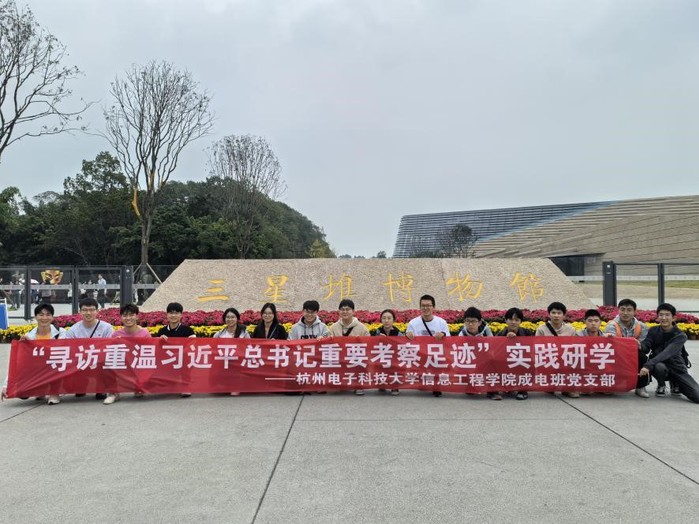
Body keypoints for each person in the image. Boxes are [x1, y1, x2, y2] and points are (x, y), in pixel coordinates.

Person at [1, 303, 66, 405]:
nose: (44, 318)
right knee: (21, 392)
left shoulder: (60, 332)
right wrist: (6, 385)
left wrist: (34, 345)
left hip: (55, 367)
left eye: (48, 314)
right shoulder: (29, 336)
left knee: (56, 364)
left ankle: (54, 392)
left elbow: (60, 351)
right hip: (37, 369)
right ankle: (40, 390)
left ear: (52, 317)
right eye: (41, 315)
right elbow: (18, 362)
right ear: (35, 317)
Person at [639, 303, 699, 403]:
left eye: (667, 315)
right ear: (657, 317)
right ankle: (661, 384)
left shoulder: (680, 335)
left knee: (697, 395)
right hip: (659, 365)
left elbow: (667, 353)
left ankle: (675, 382)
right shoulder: (653, 331)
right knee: (658, 366)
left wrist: (648, 365)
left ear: (674, 318)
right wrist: (640, 345)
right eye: (661, 315)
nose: (664, 318)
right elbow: (647, 346)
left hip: (677, 367)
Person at [63, 297, 115, 402]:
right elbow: (69, 349)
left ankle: (101, 387)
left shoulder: (106, 328)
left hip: (100, 361)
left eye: (91, 310)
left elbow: (110, 347)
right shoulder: (73, 330)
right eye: (85, 310)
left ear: (97, 311)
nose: (88, 313)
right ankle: (81, 385)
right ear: (80, 311)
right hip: (80, 362)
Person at [603, 298, 650, 398]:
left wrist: (639, 345)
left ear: (635, 312)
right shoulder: (612, 325)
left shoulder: (641, 326)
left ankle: (641, 387)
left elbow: (646, 347)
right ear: (618, 310)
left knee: (643, 357)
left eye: (629, 310)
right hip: (617, 354)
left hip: (633, 354)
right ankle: (610, 383)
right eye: (622, 309)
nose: (625, 313)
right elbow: (610, 346)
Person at [106, 304, 152, 404]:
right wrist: (115, 343)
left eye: (131, 315)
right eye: (125, 315)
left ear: (137, 316)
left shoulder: (144, 333)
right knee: (108, 364)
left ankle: (138, 386)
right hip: (123, 364)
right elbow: (110, 353)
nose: (128, 318)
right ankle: (113, 393)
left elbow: (150, 351)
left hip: (138, 364)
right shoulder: (116, 334)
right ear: (121, 317)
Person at [406, 294, 450, 397]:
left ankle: (436, 386)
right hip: (420, 354)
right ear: (420, 307)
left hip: (436, 354)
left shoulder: (441, 322)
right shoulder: (413, 323)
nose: (425, 308)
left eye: (428, 305)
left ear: (433, 307)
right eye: (423, 306)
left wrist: (443, 335)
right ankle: (424, 380)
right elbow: (407, 340)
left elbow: (449, 339)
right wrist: (408, 336)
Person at [535, 301, 579, 398]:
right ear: (549, 314)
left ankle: (568, 388)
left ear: (564, 315)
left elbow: (574, 347)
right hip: (549, 359)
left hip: (565, 359)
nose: (556, 315)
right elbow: (538, 348)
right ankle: (550, 384)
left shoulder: (570, 329)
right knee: (550, 389)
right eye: (553, 313)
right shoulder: (541, 329)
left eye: (559, 313)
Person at [329, 299, 370, 395]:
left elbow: (369, 345)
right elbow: (328, 344)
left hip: (355, 357)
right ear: (339, 312)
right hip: (339, 357)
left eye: (348, 309)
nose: (345, 312)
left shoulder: (361, 327)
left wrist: (360, 342)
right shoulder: (334, 327)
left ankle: (358, 384)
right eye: (342, 309)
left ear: (353, 311)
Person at [459, 306, 501, 400]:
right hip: (470, 358)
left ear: (479, 322)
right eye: (467, 321)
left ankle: (492, 391)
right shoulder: (462, 333)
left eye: (473, 321)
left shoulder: (486, 331)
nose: (470, 324)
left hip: (485, 357)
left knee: (492, 363)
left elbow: (493, 346)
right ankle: (471, 385)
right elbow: (459, 351)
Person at [155, 302, 196, 397]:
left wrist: (180, 353)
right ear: (167, 315)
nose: (173, 315)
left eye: (176, 313)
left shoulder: (188, 330)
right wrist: (159, 340)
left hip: (182, 359)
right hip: (167, 360)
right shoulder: (162, 331)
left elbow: (193, 345)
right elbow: (157, 347)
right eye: (171, 313)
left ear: (181, 315)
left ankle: (185, 385)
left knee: (186, 359)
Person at [495, 307, 533, 400]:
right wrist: (505, 339)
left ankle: (522, 390)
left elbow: (532, 349)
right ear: (506, 320)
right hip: (504, 361)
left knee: (530, 362)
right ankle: (496, 390)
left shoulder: (527, 333)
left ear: (520, 321)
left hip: (521, 361)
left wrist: (517, 340)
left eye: (516, 320)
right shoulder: (500, 333)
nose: (513, 322)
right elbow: (495, 351)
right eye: (510, 319)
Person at [213, 307, 250, 396]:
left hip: (239, 362)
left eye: (233, 317)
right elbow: (213, 348)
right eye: (228, 317)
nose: (230, 319)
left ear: (237, 318)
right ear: (224, 319)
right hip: (224, 362)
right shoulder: (219, 334)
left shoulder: (244, 333)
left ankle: (236, 386)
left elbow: (249, 347)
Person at [372, 308, 402, 396]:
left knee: (395, 367)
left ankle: (395, 386)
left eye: (389, 318)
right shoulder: (378, 331)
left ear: (393, 320)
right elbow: (371, 345)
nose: (386, 321)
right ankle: (382, 383)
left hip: (394, 357)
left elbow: (402, 346)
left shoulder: (398, 333)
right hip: (381, 356)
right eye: (384, 318)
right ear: (381, 320)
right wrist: (377, 339)